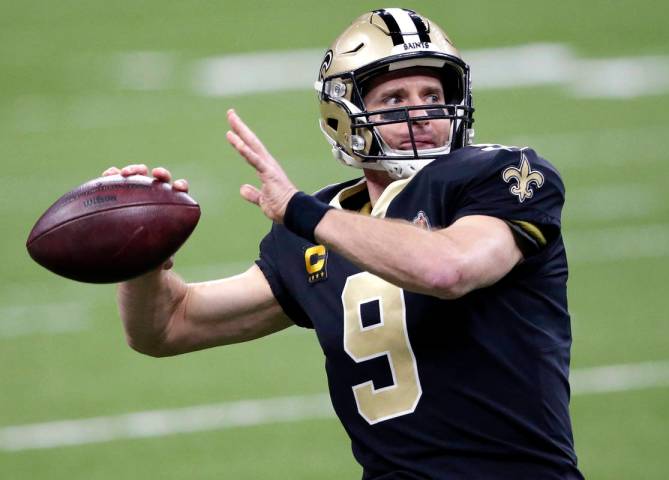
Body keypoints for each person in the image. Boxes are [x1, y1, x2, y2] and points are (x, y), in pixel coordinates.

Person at [105, 8, 584, 479]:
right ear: (344, 115)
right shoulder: (317, 228)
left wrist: (302, 212)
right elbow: (166, 327)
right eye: (395, 99)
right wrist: (140, 257)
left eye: (433, 95)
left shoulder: (503, 176)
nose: (421, 113)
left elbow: (449, 268)